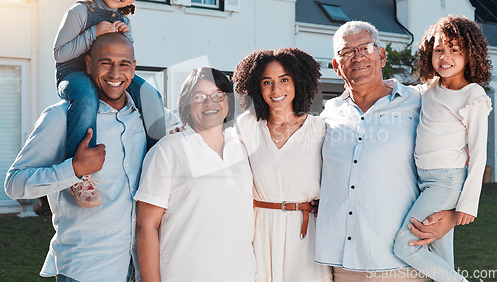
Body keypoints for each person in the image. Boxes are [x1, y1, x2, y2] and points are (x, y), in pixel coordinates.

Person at [4, 33, 179, 282]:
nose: (115, 73)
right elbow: (15, 184)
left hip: (142, 267)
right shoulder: (60, 117)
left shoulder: (149, 115)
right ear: (88, 64)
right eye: (105, 63)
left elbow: (197, 132)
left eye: (124, 64)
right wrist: (73, 169)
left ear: (134, 68)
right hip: (87, 270)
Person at [316, 21, 458, 281]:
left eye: (365, 48)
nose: (357, 57)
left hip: (403, 262)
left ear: (381, 56)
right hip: (345, 263)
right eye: (346, 52)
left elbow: (456, 163)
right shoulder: (328, 115)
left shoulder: (421, 104)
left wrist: (453, 214)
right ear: (337, 67)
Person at [53, 0, 166, 208]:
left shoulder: (125, 21)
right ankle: (81, 176)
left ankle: (157, 164)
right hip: (74, 73)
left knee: (151, 96)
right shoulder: (80, 11)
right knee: (86, 98)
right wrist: (94, 33)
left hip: (108, 74)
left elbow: (125, 58)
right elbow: (60, 53)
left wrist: (123, 37)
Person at [393, 16, 492, 282]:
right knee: (441, 258)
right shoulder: (430, 88)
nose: (445, 57)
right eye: (439, 50)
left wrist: (467, 206)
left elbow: (479, 154)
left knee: (406, 244)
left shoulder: (473, 96)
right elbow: (403, 93)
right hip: (423, 180)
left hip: (446, 181)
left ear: (470, 55)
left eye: (454, 50)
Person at [135, 67, 255, 282]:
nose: (210, 104)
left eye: (218, 95)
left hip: (240, 274)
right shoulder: (168, 150)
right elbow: (146, 227)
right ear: (187, 104)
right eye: (199, 97)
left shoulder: (242, 148)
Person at [233, 48, 333, 282]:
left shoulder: (320, 129)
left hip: (306, 233)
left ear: (299, 81)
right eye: (267, 82)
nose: (276, 90)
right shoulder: (247, 126)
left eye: (284, 80)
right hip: (259, 230)